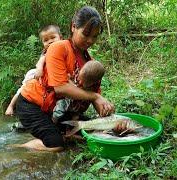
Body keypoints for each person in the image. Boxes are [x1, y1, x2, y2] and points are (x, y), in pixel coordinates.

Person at [12, 6, 115, 152]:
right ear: (73, 26)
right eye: (86, 34)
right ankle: (17, 148)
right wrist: (95, 96)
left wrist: (110, 117)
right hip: (31, 104)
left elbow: (95, 97)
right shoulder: (58, 48)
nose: (90, 40)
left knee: (93, 131)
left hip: (55, 110)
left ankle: (56, 133)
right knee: (57, 145)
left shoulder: (90, 64)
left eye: (95, 36)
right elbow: (61, 87)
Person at [5, 25, 62, 116]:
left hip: (51, 80)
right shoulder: (47, 52)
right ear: (43, 43)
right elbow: (40, 61)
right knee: (22, 89)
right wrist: (39, 70)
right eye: (46, 40)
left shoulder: (64, 49)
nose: (50, 41)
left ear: (60, 38)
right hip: (37, 75)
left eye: (53, 38)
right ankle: (11, 106)